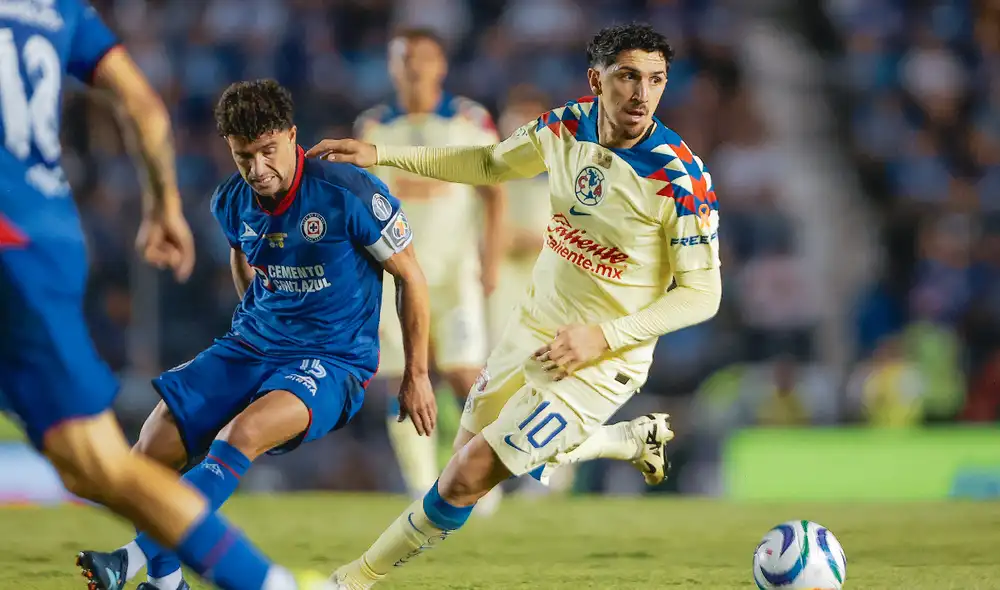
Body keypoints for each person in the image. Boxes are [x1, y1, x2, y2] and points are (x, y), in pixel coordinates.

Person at [308, 23, 723, 588]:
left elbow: (704, 294)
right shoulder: (563, 128)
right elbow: (488, 165)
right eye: (628, 77)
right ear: (596, 79)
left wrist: (603, 337)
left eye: (655, 80)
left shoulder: (680, 179)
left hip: (602, 360)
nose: (642, 94)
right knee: (469, 455)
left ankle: (351, 579)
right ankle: (623, 440)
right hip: (532, 330)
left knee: (464, 478)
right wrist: (381, 153)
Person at [0, 3, 334, 589]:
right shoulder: (61, 11)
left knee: (109, 462)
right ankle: (241, 581)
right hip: (40, 241)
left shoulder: (340, 194)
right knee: (99, 464)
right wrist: (163, 208)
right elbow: (145, 109)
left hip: (17, 237)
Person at [74, 79, 435, 590]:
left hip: (331, 361)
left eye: (269, 151)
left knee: (239, 436)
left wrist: (417, 374)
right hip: (251, 344)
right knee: (148, 454)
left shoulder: (348, 192)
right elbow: (244, 254)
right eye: (245, 156)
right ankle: (165, 582)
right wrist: (252, 312)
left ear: (292, 136)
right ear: (230, 149)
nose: (259, 169)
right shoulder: (231, 201)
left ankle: (129, 560)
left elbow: (412, 277)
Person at [353, 28, 506, 503]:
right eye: (405, 58)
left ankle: (480, 482)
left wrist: (490, 258)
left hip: (454, 271)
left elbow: (494, 190)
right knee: (402, 378)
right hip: (394, 275)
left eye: (424, 57)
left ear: (441, 65)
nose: (415, 66)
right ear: (392, 66)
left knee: (466, 376)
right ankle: (421, 485)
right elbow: (358, 201)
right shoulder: (374, 127)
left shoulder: (469, 120)